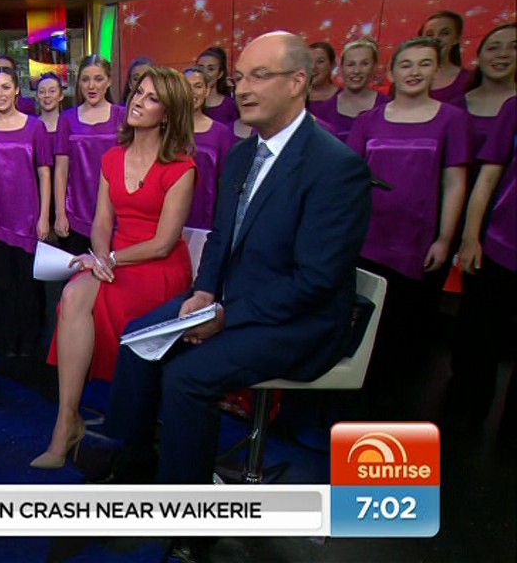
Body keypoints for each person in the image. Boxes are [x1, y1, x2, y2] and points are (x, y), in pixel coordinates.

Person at [106, 31, 371, 496]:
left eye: (259, 76)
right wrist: (204, 291)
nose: (243, 89)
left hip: (300, 322)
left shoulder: (336, 166)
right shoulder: (244, 152)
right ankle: (133, 464)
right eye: (240, 78)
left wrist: (226, 316)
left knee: (186, 376)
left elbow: (315, 280)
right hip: (233, 300)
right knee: (138, 339)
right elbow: (221, 236)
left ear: (297, 82)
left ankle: (184, 510)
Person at [34, 67, 197, 470]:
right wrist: (100, 256)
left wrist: (109, 261)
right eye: (138, 92)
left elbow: (163, 242)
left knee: (102, 302)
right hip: (117, 258)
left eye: (152, 98)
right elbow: (102, 223)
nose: (138, 102)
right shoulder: (113, 157)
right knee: (73, 293)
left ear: (169, 113)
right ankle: (67, 421)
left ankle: (128, 422)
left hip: (158, 267)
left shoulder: (182, 167)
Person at [348, 37, 469, 418]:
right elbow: (348, 181)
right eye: (406, 64)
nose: (414, 72)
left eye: (424, 64)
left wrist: (445, 238)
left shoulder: (452, 119)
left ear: (437, 70)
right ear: (392, 72)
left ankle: (394, 414)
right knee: (365, 330)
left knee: (407, 333)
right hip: (367, 240)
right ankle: (357, 406)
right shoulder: (368, 121)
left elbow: (454, 182)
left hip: (418, 244)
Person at [446, 23, 516, 434]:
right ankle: (465, 411)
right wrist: (470, 236)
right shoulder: (501, 109)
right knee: (478, 329)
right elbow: (486, 178)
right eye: (495, 46)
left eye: (513, 47)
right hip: (494, 234)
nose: (503, 53)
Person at [0, 66, 53, 359]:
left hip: (28, 219)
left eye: (5, 87)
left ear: (17, 90)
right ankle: (9, 341)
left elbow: (45, 173)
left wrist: (44, 216)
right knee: (2, 286)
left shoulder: (35, 128)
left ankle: (29, 341)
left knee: (27, 286)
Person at [53, 55, 125, 255]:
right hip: (77, 214)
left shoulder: (122, 116)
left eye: (98, 79)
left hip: (116, 215)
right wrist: (60, 213)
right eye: (85, 79)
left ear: (109, 81)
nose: (91, 86)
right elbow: (61, 170)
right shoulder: (67, 119)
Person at [183, 66, 236, 229]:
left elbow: (227, 183)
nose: (191, 92)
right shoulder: (166, 129)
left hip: (205, 221)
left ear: (207, 91)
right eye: (186, 86)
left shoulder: (221, 133)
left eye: (198, 86)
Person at [309, 39, 390, 142]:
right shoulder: (319, 110)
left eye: (364, 64)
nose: (356, 71)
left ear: (374, 67)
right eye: (351, 64)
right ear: (341, 68)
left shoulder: (386, 106)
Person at [419, 11, 471, 104]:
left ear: (456, 39)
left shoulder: (469, 80)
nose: (436, 38)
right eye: (429, 35)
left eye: (444, 33)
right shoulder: (406, 78)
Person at [197, 46, 238, 125]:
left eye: (211, 69)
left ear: (220, 74)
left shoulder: (231, 106)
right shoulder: (189, 105)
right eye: (200, 68)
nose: (204, 73)